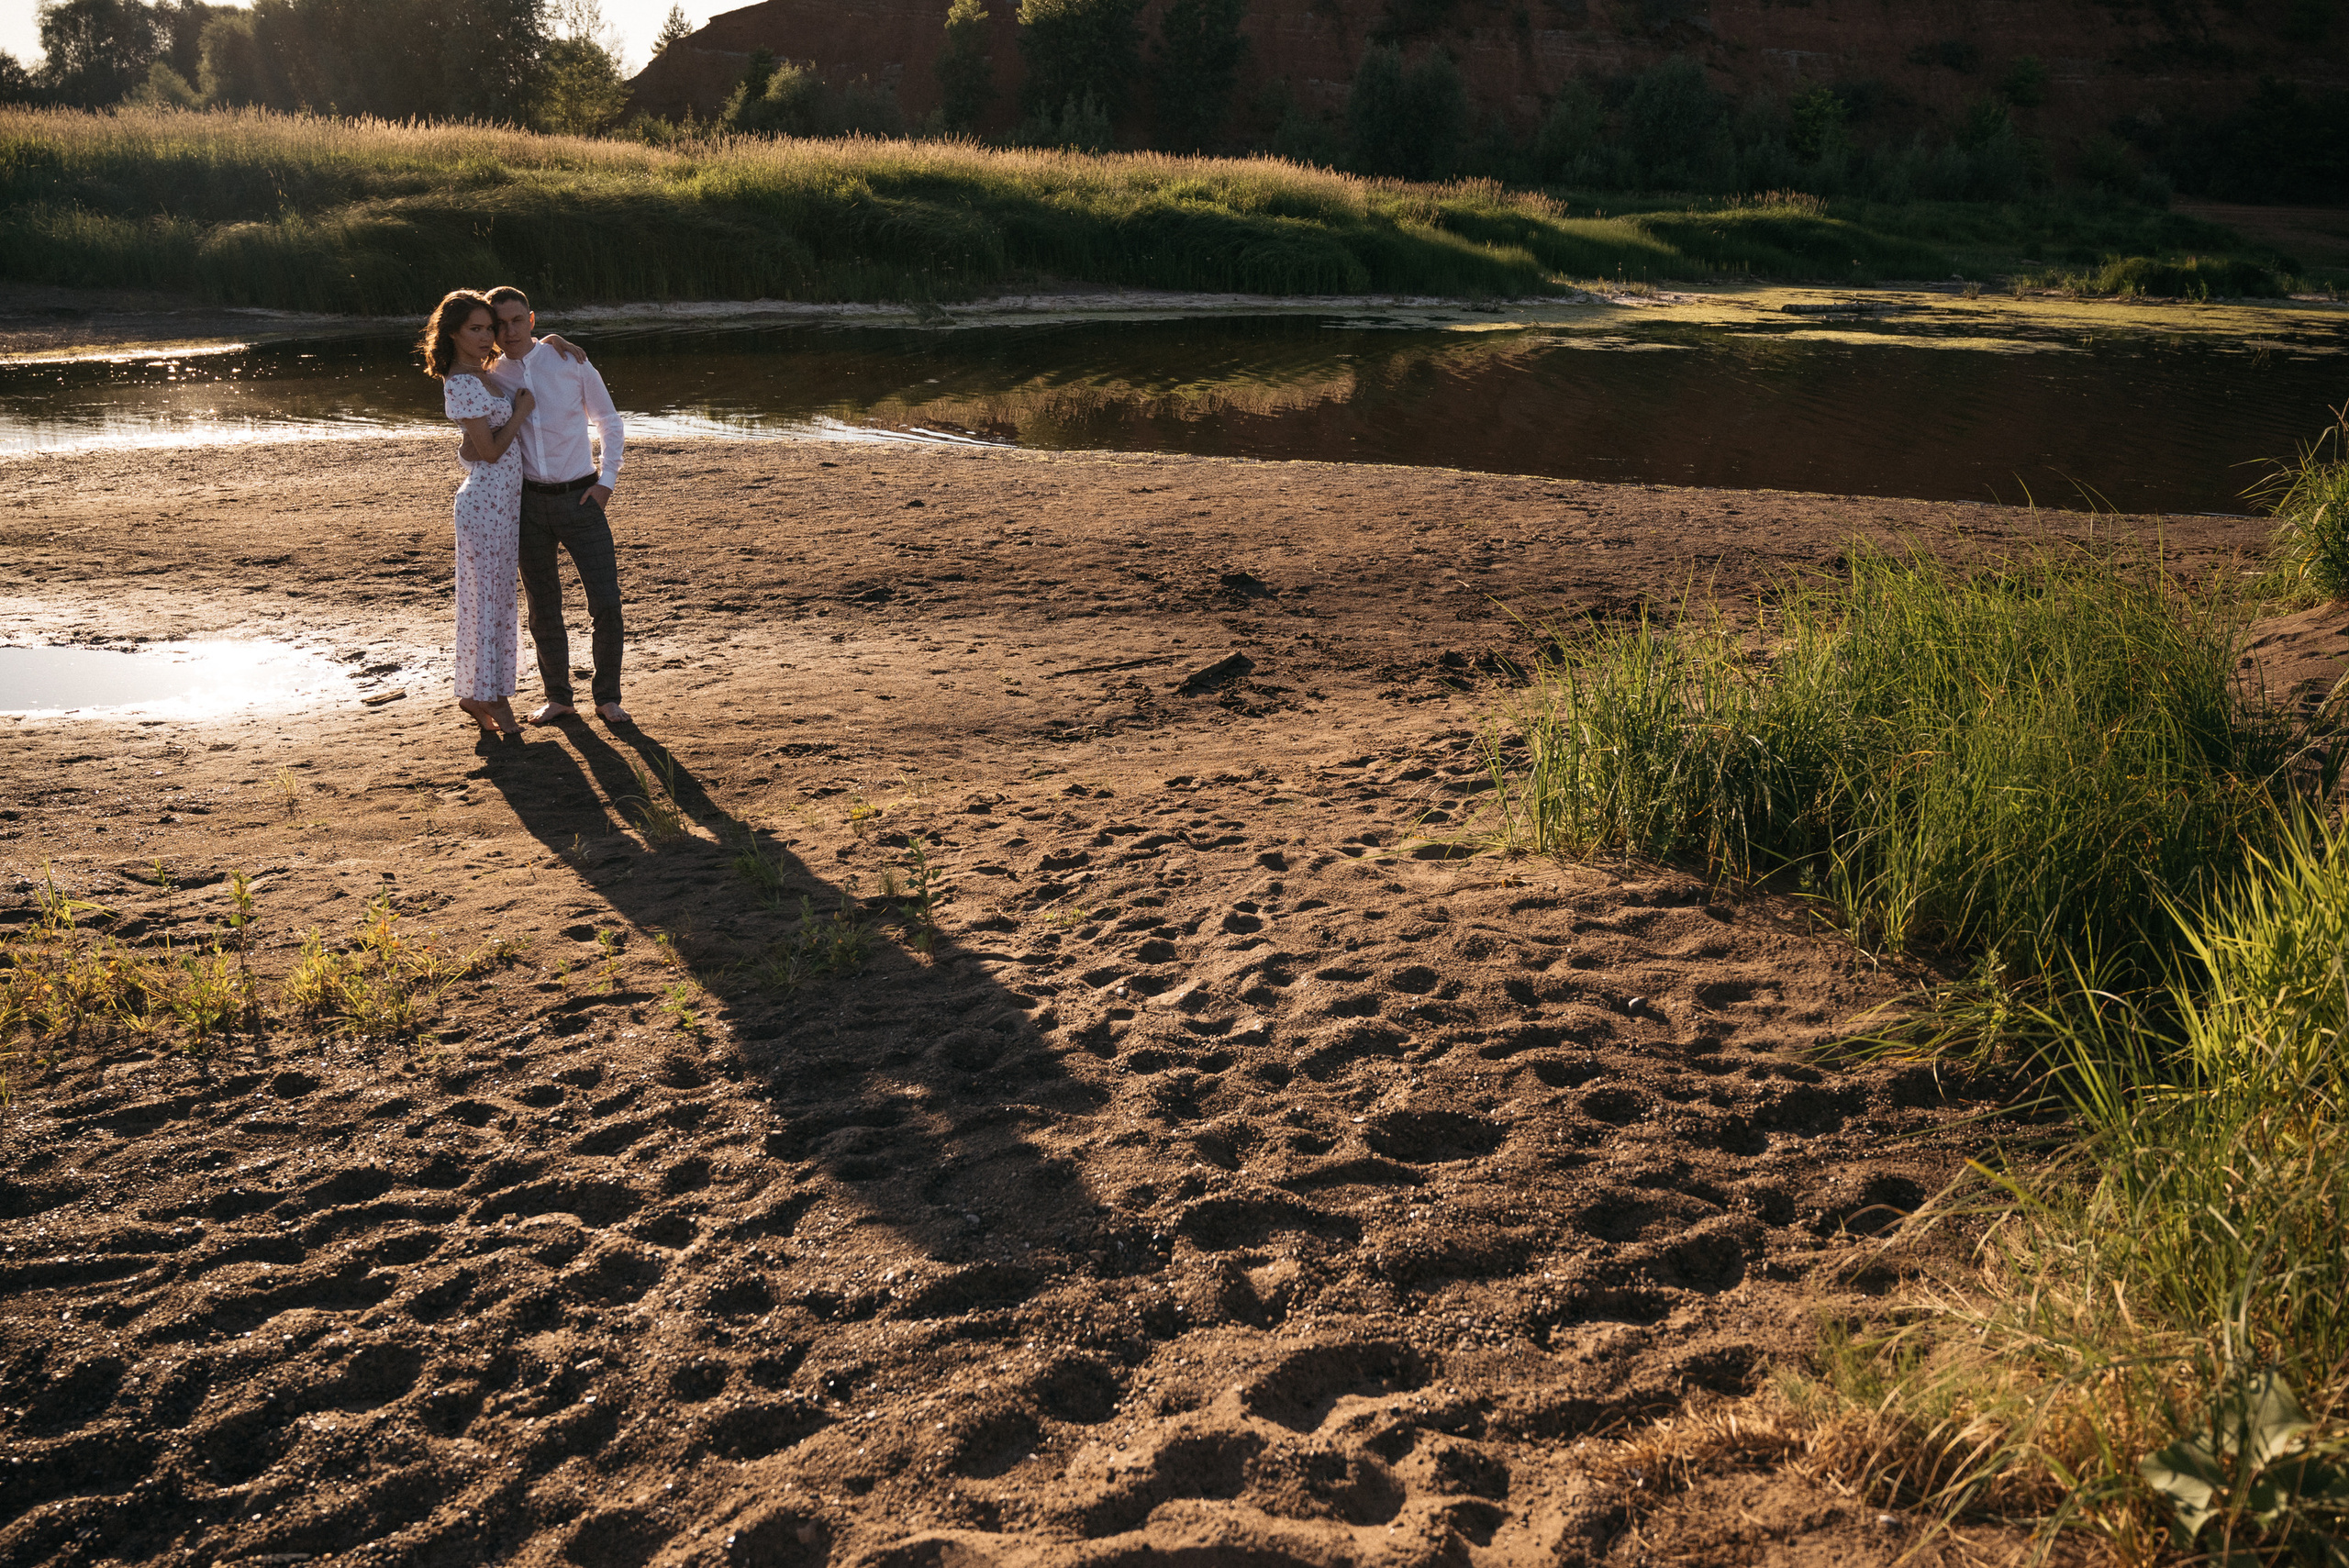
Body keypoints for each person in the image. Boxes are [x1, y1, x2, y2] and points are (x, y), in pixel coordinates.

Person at [481, 285, 630, 726]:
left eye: (516, 321)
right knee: (543, 607)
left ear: (531, 320)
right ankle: (559, 697)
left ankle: (607, 697)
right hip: (527, 505)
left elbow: (609, 421)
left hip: (582, 498)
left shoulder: (570, 361)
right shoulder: (492, 375)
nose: (509, 331)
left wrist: (606, 483)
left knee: (606, 602)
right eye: (499, 324)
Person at [418, 289, 534, 736]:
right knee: (487, 602)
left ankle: (477, 692)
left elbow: (470, 447)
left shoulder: (482, 374)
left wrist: (559, 342)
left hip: (502, 504)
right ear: (453, 333)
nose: (488, 337)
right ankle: (492, 697)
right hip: (485, 504)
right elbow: (488, 452)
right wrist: (521, 411)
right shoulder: (462, 382)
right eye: (476, 329)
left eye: (490, 328)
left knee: (497, 600)